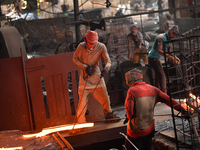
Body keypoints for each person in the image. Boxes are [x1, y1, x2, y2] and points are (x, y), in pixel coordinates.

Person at [123, 68, 187, 150]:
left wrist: (128, 117)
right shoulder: (153, 89)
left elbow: (130, 113)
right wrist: (183, 110)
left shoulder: (131, 91)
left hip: (135, 131)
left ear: (130, 80)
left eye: (127, 80)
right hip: (150, 128)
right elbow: (170, 101)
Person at [73, 30, 120, 123]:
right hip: (84, 79)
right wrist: (85, 67)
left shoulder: (101, 46)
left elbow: (108, 61)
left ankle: (109, 115)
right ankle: (81, 122)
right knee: (82, 103)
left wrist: (106, 69)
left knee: (105, 98)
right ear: (85, 41)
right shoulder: (81, 47)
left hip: (97, 78)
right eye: (91, 44)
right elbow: (75, 59)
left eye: (94, 44)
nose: (93, 46)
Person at [148, 25, 180, 94]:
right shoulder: (161, 38)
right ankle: (164, 94)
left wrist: (176, 58)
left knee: (158, 75)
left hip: (156, 58)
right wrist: (171, 58)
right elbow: (160, 51)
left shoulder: (169, 40)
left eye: (175, 34)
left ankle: (157, 94)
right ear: (170, 31)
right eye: (173, 33)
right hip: (152, 58)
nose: (174, 36)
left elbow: (170, 52)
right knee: (162, 76)